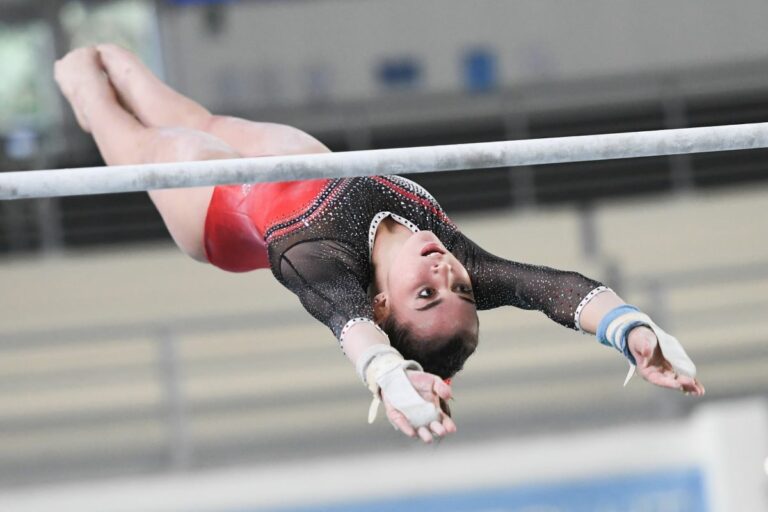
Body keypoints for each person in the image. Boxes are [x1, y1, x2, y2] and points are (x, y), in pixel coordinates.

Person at [54, 46, 705, 444]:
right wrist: (631, 328)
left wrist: (389, 375)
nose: (444, 269)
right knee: (162, 94)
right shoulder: (454, 254)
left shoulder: (320, 256)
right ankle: (106, 49)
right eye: (459, 286)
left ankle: (72, 71)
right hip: (277, 153)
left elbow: (347, 327)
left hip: (212, 211)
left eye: (427, 293)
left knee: (120, 112)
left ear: (381, 305)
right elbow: (553, 290)